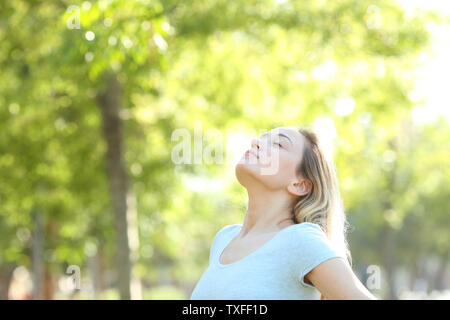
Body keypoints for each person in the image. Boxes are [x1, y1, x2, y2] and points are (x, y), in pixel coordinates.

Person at [190, 126, 377, 300]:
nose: (256, 143)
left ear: (299, 184)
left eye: (278, 144)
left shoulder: (301, 240)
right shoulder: (224, 239)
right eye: (261, 138)